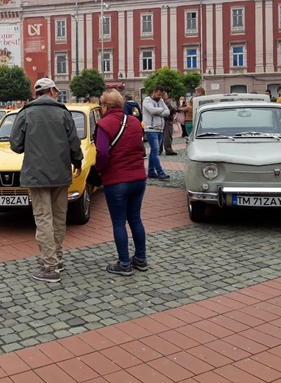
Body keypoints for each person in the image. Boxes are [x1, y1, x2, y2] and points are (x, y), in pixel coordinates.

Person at [10, 77, 83, 284]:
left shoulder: (25, 113)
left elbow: (16, 145)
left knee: (43, 218)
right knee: (59, 217)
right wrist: (77, 161)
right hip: (61, 172)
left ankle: (50, 266)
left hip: (36, 174)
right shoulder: (63, 112)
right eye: (55, 91)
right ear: (51, 91)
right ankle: (57, 258)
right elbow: (74, 143)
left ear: (37, 93)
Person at [95, 89, 148, 276]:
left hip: (117, 180)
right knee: (135, 219)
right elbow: (140, 148)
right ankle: (141, 258)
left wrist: (98, 169)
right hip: (138, 178)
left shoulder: (104, 124)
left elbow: (102, 153)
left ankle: (124, 263)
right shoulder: (134, 122)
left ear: (105, 105)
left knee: (119, 222)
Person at [142, 86, 170, 180]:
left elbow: (168, 112)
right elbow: (152, 111)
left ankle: (151, 172)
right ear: (154, 92)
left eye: (161, 95)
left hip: (160, 129)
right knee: (156, 151)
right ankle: (160, 172)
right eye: (158, 94)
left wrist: (158, 111)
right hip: (151, 129)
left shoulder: (161, 101)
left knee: (154, 151)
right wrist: (162, 110)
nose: (160, 96)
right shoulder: (147, 100)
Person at [160, 91, 178, 156]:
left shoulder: (158, 102)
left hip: (161, 120)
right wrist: (175, 110)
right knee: (167, 136)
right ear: (164, 96)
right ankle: (168, 150)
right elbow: (170, 110)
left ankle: (159, 150)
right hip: (167, 120)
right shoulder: (166, 102)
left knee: (160, 135)